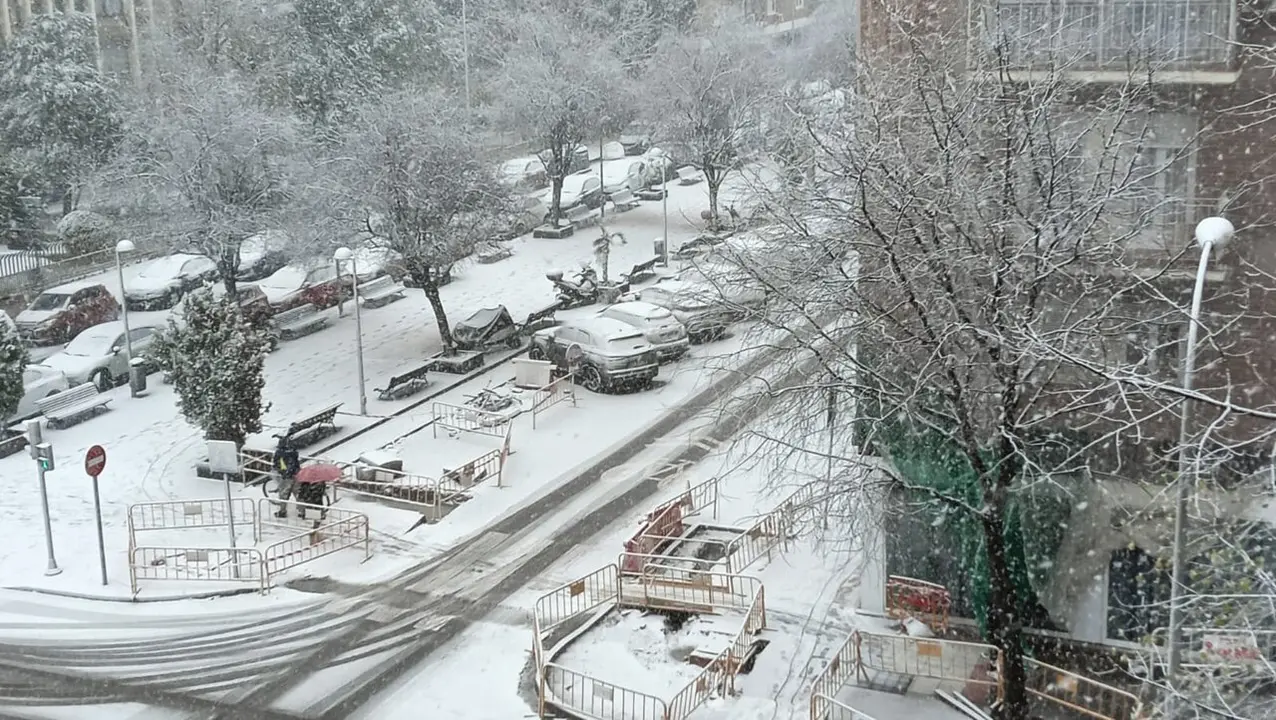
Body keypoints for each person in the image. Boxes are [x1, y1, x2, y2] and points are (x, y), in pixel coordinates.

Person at [272, 436, 301, 518]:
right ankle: (302, 511)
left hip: (286, 476)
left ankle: (282, 511)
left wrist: (282, 471)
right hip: (296, 475)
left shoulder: (279, 453)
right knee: (298, 494)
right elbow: (297, 463)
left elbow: (276, 464)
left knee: (283, 495)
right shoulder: (294, 452)